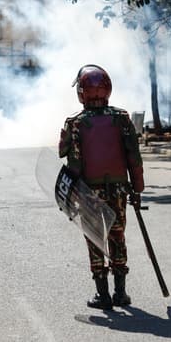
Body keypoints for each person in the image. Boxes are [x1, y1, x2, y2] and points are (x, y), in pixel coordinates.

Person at [59, 64, 144, 310]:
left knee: (96, 239)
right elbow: (134, 157)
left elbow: (72, 163)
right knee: (118, 236)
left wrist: (70, 196)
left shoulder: (75, 123)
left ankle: (102, 295)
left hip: (89, 194)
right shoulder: (122, 118)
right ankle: (121, 293)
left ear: (82, 92)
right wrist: (137, 189)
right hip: (118, 191)